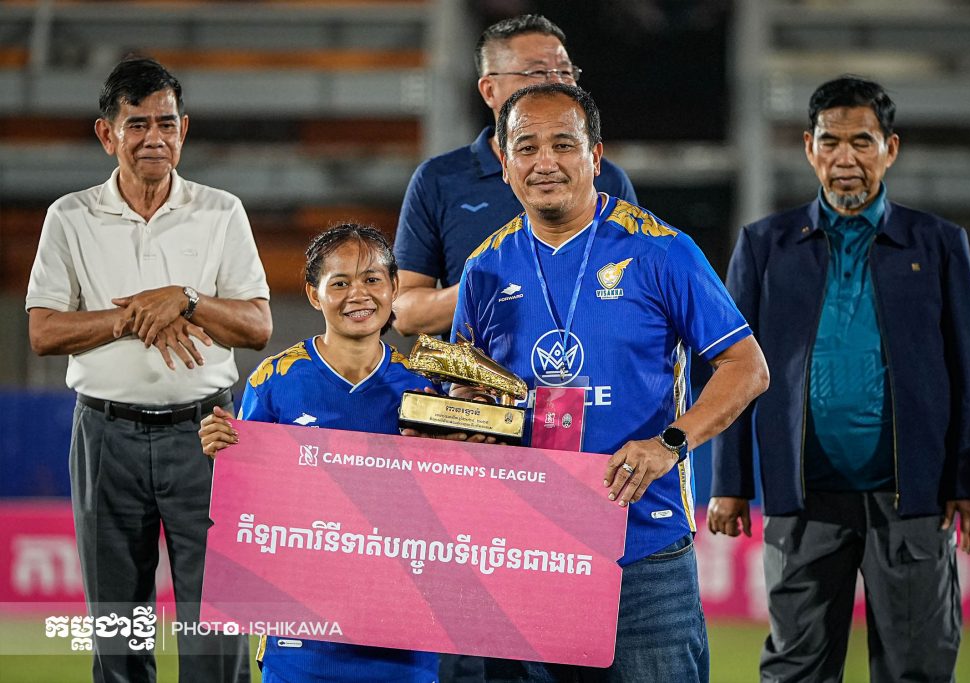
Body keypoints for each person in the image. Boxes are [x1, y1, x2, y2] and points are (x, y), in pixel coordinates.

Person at [449, 82, 769, 682]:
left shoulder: (661, 250)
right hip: (523, 551)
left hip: (641, 554)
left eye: (563, 144)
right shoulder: (483, 269)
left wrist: (669, 444)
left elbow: (747, 367)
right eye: (527, 147)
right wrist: (470, 422)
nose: (545, 162)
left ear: (596, 156)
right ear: (503, 161)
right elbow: (466, 393)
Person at [709, 75, 970, 682]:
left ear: (891, 147)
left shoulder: (939, 244)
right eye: (830, 142)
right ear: (808, 147)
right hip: (804, 499)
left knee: (918, 668)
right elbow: (732, 369)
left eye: (862, 142)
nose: (845, 158)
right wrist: (730, 479)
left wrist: (967, 480)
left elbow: (966, 371)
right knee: (796, 670)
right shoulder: (764, 245)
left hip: (912, 498)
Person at [25, 57, 270, 682]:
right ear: (107, 133)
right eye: (137, 124)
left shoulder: (222, 211)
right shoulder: (70, 216)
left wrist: (185, 299)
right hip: (105, 436)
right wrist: (137, 315)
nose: (154, 137)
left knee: (214, 630)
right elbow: (44, 331)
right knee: (117, 630)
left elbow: (257, 327)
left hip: (209, 434)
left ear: (184, 129)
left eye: (166, 122)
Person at [199, 223, 441, 683]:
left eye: (372, 279)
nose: (359, 294)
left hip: (402, 632)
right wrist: (223, 453)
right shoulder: (274, 379)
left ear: (393, 288)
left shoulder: (426, 387)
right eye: (340, 282)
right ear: (314, 294)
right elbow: (249, 505)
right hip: (301, 637)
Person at [392, 14, 637, 336]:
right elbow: (405, 314)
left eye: (564, 71)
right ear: (489, 89)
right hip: (478, 384)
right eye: (537, 72)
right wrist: (503, 281)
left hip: (584, 378)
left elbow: (634, 291)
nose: (556, 83)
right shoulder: (439, 179)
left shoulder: (606, 179)